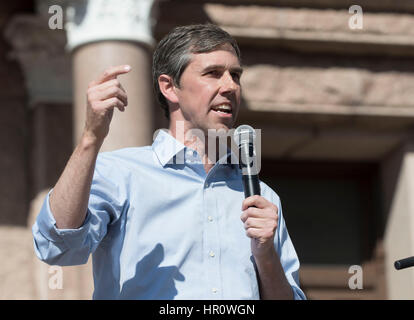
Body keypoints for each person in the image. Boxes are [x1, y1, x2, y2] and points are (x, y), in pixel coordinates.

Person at [32, 24, 306, 300]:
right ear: (169, 87)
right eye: (213, 73)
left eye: (235, 75)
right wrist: (91, 137)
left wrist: (266, 254)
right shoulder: (121, 175)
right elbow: (57, 248)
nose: (230, 86)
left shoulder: (261, 197)